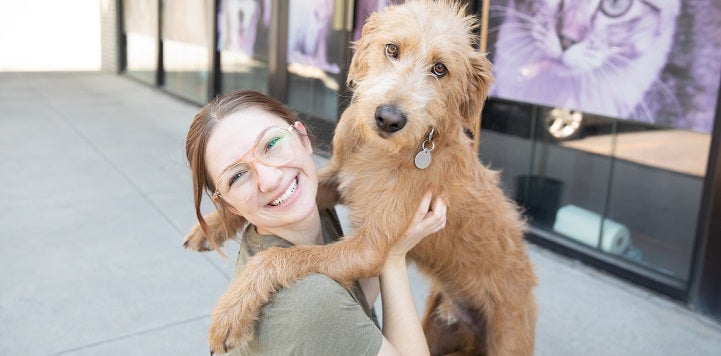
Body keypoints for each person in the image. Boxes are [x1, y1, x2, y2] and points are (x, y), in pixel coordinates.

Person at [185, 90, 447, 355]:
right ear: (229, 205)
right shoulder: (310, 301)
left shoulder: (308, 213)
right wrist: (393, 255)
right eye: (237, 176)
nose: (271, 180)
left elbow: (349, 308)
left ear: (302, 137)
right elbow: (325, 310)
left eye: (272, 144)